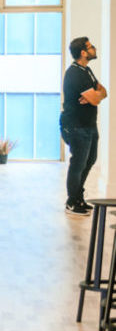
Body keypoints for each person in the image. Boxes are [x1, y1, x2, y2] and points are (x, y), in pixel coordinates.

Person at [61, 36, 105, 215]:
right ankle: (72, 202)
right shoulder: (74, 73)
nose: (94, 48)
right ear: (83, 52)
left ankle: (79, 196)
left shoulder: (87, 71)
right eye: (90, 47)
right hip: (76, 126)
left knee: (90, 160)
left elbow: (103, 92)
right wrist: (96, 95)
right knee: (78, 163)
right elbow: (96, 97)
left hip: (89, 125)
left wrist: (97, 95)